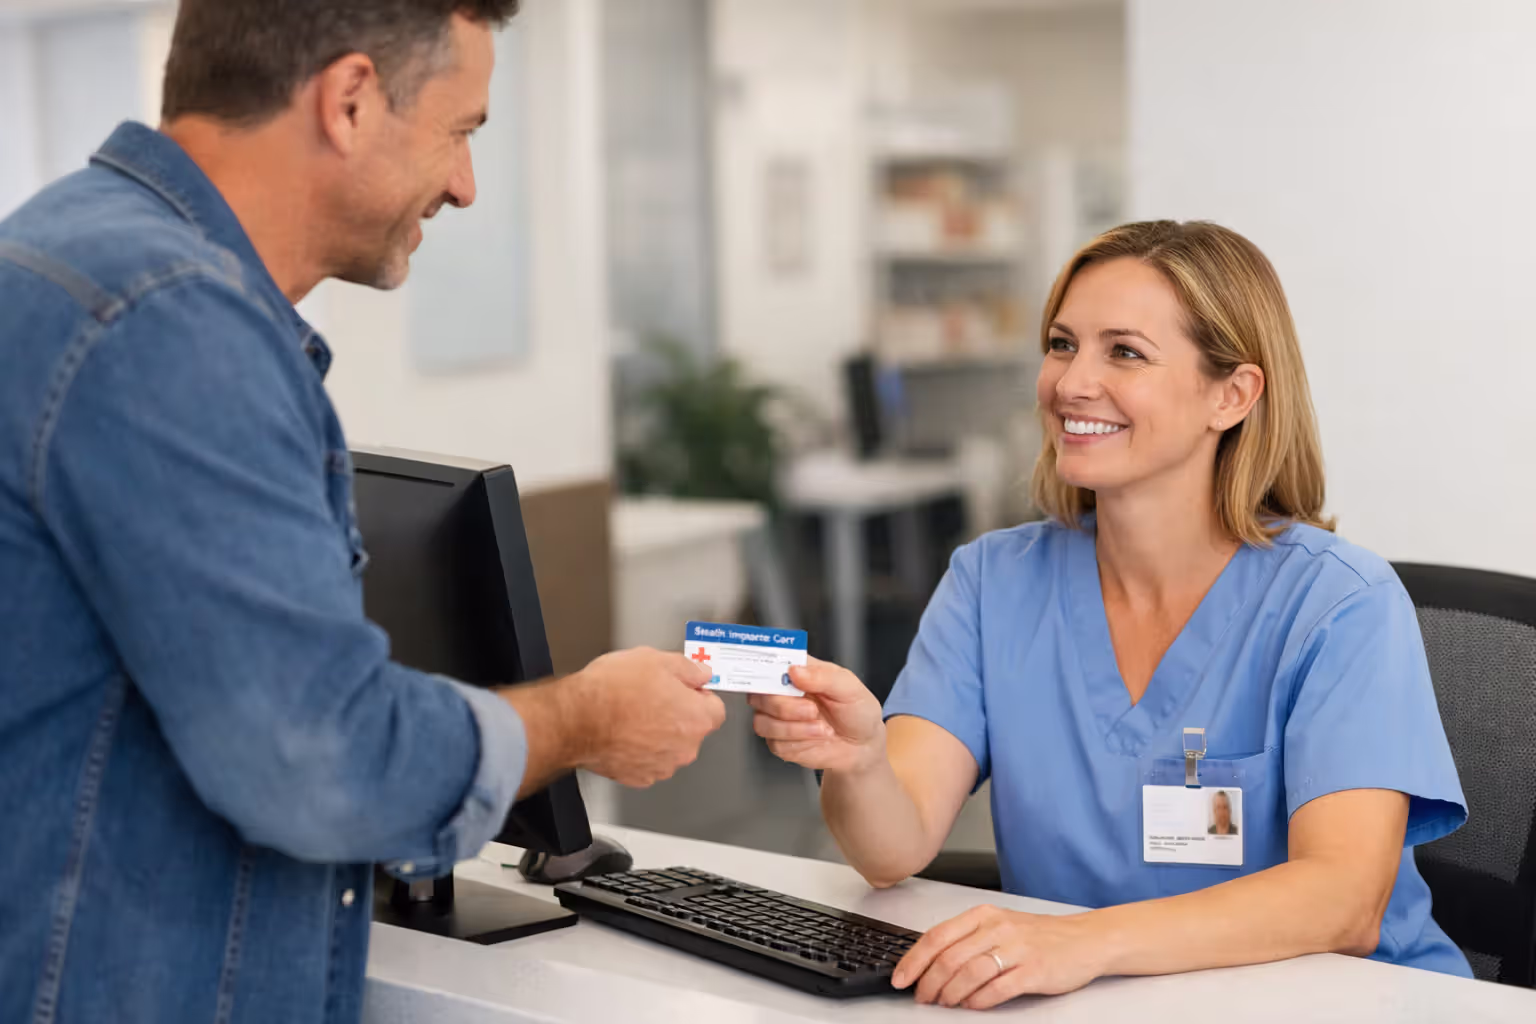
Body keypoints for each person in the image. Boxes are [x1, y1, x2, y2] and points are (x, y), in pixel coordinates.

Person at [0, 3, 726, 1022]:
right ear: (348, 101)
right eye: (462, 130)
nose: (467, 186)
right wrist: (587, 717)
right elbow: (316, 756)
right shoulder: (170, 320)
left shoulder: (56, 258)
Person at [751, 220, 1469, 1010]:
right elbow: (894, 846)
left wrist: (1084, 944)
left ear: (1231, 395)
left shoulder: (1339, 605)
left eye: (1123, 352)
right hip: (1094, 1001)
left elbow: (1346, 900)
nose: (1070, 383)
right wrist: (859, 765)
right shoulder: (993, 582)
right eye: (1062, 344)